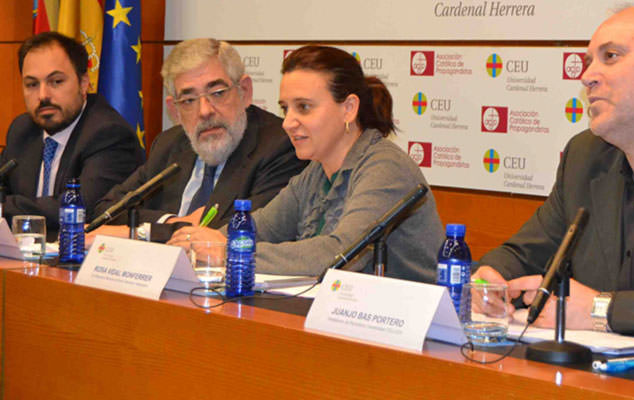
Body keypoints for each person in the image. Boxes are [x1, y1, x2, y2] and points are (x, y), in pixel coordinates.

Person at [473, 3, 634, 348]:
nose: (587, 75)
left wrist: (599, 310)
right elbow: (522, 255)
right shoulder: (586, 157)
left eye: (610, 56)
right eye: (589, 60)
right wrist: (491, 280)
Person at [169, 45, 443, 283]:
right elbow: (261, 228)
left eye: (304, 107)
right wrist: (202, 243)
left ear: (348, 108)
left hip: (407, 332)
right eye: (285, 108)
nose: (288, 122)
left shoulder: (385, 167)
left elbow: (339, 254)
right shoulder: (315, 172)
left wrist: (229, 250)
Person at [89, 39, 307, 242]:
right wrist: (171, 223)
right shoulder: (169, 144)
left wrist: (139, 232)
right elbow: (106, 211)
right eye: (189, 100)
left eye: (218, 93)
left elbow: (238, 232)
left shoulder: (280, 146)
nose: (205, 111)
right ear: (174, 110)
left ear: (245, 91)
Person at [0, 32, 145, 239]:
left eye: (56, 82)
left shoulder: (108, 134)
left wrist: (5, 206)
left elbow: (81, 207)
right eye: (32, 84)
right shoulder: (22, 130)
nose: (43, 96)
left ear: (83, 83)